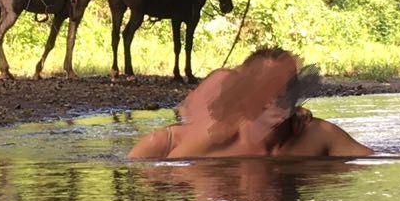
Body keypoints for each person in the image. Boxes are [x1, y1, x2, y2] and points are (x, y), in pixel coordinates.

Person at [127, 47, 374, 159]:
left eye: (283, 89)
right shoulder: (177, 143)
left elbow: (382, 162)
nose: (274, 97)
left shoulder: (319, 136)